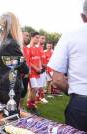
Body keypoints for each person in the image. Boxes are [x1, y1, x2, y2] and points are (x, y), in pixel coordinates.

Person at [48, 0, 87, 131]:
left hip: (81, 103)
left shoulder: (70, 36)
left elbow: (57, 80)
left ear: (83, 16)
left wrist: (73, 91)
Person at [0, 12, 29, 110]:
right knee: (9, 121)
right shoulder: (12, 43)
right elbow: (25, 69)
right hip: (8, 90)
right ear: (14, 26)